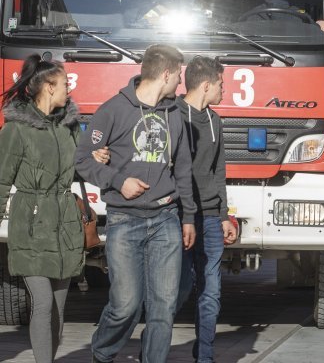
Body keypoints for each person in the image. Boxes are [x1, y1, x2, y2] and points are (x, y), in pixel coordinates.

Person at [76, 44, 197, 363]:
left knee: (163, 308)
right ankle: (102, 352)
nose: (180, 85)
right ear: (167, 73)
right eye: (179, 75)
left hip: (166, 220)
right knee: (125, 305)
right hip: (124, 221)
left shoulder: (176, 114)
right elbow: (83, 160)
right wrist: (118, 180)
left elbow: (183, 167)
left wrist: (189, 218)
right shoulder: (114, 109)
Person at [0, 55, 108, 363]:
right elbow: (0, 181)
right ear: (48, 87)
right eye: (63, 84)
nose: (68, 90)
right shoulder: (16, 130)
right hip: (31, 225)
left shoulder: (69, 128)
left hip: (65, 225)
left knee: (58, 312)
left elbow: (77, 171)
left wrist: (95, 159)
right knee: (43, 303)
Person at [175, 56, 238, 363]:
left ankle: (205, 356)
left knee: (211, 291)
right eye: (221, 85)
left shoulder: (215, 121)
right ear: (205, 85)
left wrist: (224, 215)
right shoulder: (173, 115)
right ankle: (154, 346)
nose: (224, 90)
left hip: (211, 218)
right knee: (181, 287)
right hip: (177, 218)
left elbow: (218, 171)